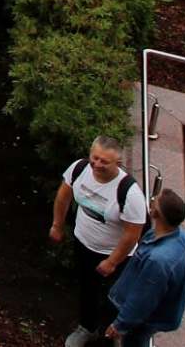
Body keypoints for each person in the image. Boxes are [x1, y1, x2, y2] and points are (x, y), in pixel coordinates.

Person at [50, 136, 147, 347]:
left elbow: (133, 233)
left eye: (105, 161)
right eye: (95, 158)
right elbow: (63, 196)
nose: (97, 164)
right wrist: (57, 224)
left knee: (114, 297)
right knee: (87, 288)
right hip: (84, 243)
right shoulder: (80, 169)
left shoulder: (129, 193)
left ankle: (114, 333)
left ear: (117, 164)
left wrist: (112, 261)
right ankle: (87, 328)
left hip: (116, 255)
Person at [105, 188, 185, 347]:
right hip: (158, 313)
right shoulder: (182, 239)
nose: (151, 201)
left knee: (134, 342)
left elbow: (142, 299)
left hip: (145, 320)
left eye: (154, 200)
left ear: (156, 214)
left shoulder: (158, 261)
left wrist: (120, 324)